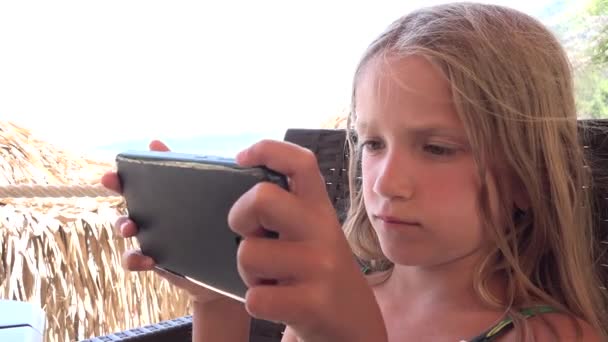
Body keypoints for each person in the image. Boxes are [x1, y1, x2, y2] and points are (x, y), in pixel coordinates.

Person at [102, 2, 608, 341]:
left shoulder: (555, 334)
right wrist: (217, 303)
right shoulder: (338, 297)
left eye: (436, 148)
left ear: (524, 175)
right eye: (372, 143)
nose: (386, 182)